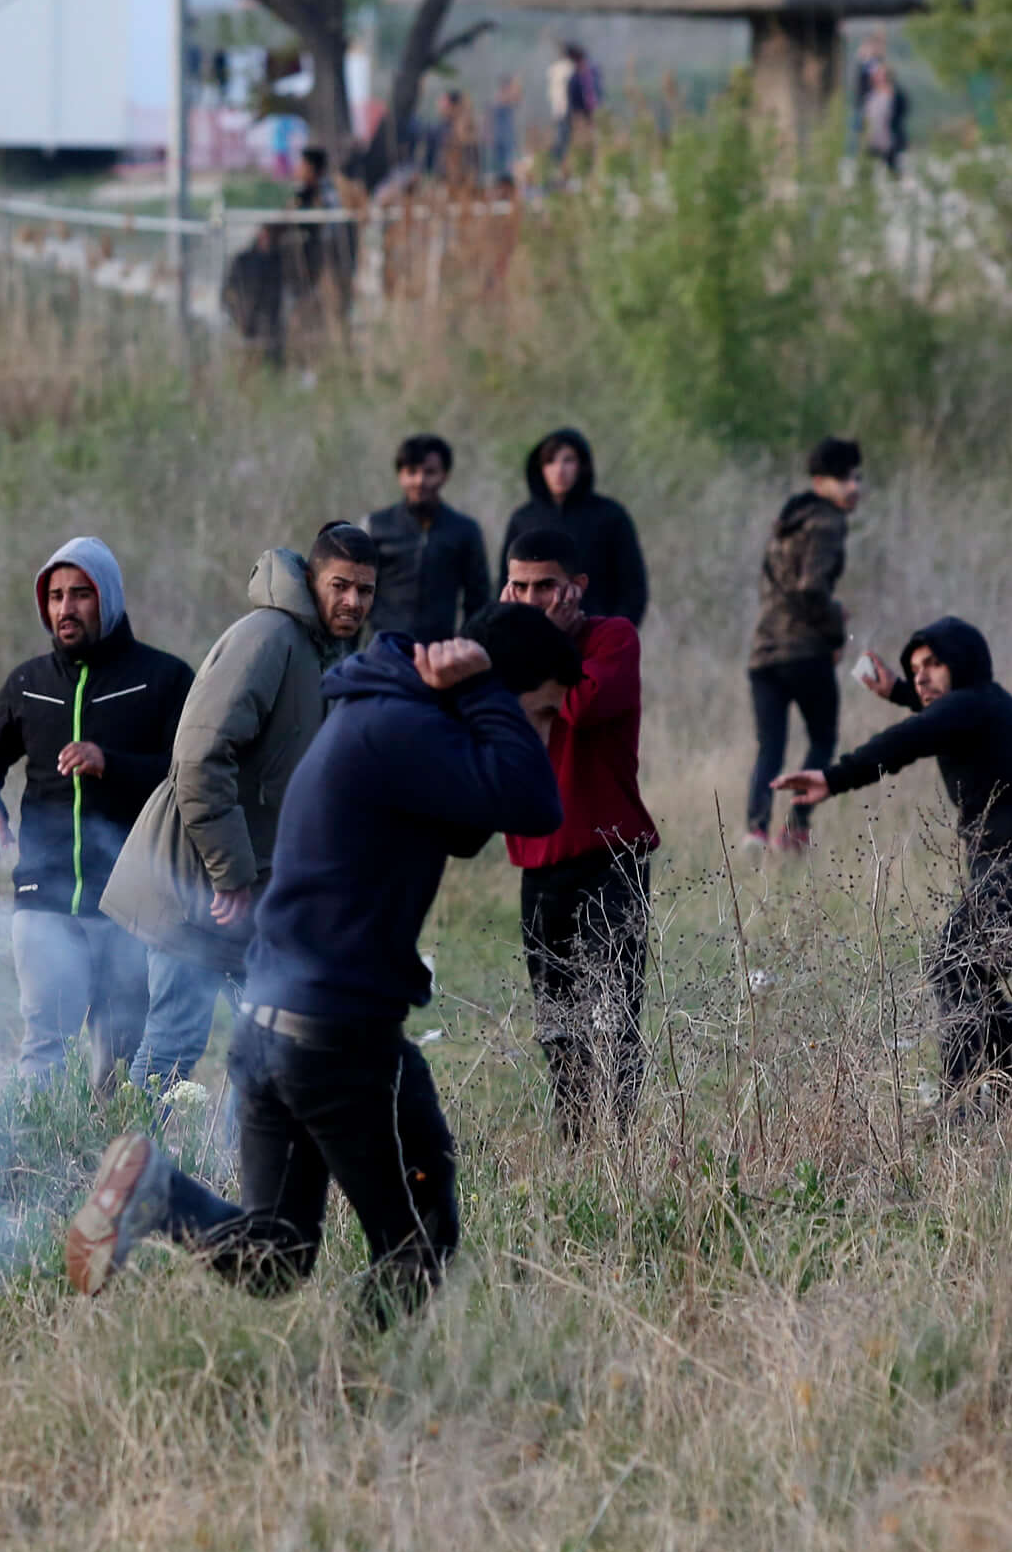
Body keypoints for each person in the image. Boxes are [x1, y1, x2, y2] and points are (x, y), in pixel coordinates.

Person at [64, 603, 572, 1316]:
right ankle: (365, 1395)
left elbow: (465, 830)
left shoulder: (381, 717)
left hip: (272, 1030)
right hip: (335, 1036)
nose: (543, 737)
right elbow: (535, 802)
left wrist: (479, 700)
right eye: (543, 714)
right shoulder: (406, 727)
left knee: (275, 1253)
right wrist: (485, 692)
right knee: (417, 1246)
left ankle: (162, 1194)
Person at [103, 525, 380, 1088]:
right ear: (311, 580)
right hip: (194, 882)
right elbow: (200, 757)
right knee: (173, 1045)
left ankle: (248, 1175)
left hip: (257, 895)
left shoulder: (327, 654)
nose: (353, 601)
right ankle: (121, 1167)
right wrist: (231, 875)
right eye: (340, 585)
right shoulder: (268, 637)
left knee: (271, 1047)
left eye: (366, 591)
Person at [777, 619, 1012, 1115]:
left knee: (955, 963)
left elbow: (911, 738)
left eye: (933, 665)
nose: (921, 677)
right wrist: (901, 691)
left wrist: (833, 778)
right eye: (914, 668)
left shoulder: (970, 707)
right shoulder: (1000, 706)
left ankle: (962, 1107)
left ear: (962, 664)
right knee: (969, 971)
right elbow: (938, 716)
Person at [0, 539, 194, 1091]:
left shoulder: (163, 680)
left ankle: (112, 1169)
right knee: (44, 1046)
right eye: (55, 596)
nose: (65, 608)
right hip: (45, 897)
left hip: (132, 903)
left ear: (106, 598)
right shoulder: (29, 684)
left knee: (121, 1064)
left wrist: (114, 764)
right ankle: (36, 1169)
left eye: (80, 594)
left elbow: (192, 774)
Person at [500, 526, 657, 1139]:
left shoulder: (611, 637)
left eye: (546, 586)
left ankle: (619, 1151)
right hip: (538, 861)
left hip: (611, 856)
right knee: (556, 1022)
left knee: (614, 1016)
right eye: (520, 586)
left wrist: (541, 650)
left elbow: (580, 707)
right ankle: (576, 1145)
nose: (533, 597)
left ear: (576, 587)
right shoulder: (501, 650)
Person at [745, 437, 860, 854]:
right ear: (819, 482)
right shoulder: (827, 521)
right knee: (824, 738)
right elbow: (811, 588)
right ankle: (794, 830)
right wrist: (835, 630)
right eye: (843, 478)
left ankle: (754, 831)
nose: (853, 487)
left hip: (763, 651)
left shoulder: (787, 520)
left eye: (856, 478)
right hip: (805, 650)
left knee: (770, 746)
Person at [501, 427, 648, 626]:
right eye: (550, 461)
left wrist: (616, 633)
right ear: (540, 468)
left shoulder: (610, 515)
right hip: (532, 636)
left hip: (596, 632)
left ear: (581, 465)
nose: (559, 470)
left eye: (568, 460)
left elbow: (633, 586)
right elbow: (506, 581)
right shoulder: (523, 519)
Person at [364, 433, 490, 647]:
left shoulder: (465, 531)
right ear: (400, 476)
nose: (420, 481)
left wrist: (465, 646)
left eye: (430, 472)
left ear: (445, 475)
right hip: (383, 649)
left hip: (439, 654)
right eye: (412, 472)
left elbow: (478, 600)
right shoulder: (375, 526)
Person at [854, 34, 909, 182]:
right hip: (872, 140)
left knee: (894, 175)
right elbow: (862, 82)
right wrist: (865, 59)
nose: (878, 78)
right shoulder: (870, 96)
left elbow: (902, 112)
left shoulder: (895, 95)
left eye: (882, 76)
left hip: (890, 141)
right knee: (864, 176)